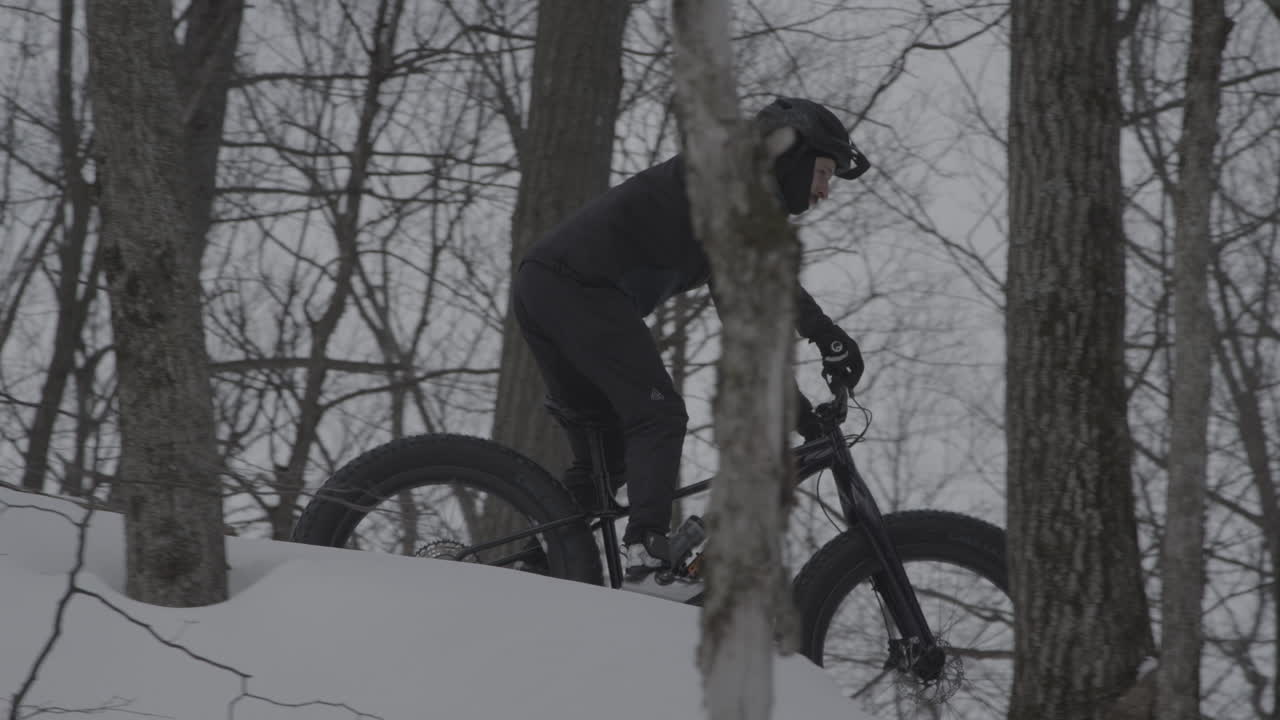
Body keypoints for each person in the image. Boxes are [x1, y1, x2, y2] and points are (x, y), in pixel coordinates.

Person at [511, 97, 869, 581]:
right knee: (657, 413)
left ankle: (534, 563)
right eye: (824, 173)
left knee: (607, 457)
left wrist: (803, 417)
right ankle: (645, 548)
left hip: (549, 290)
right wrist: (827, 336)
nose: (825, 190)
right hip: (574, 287)